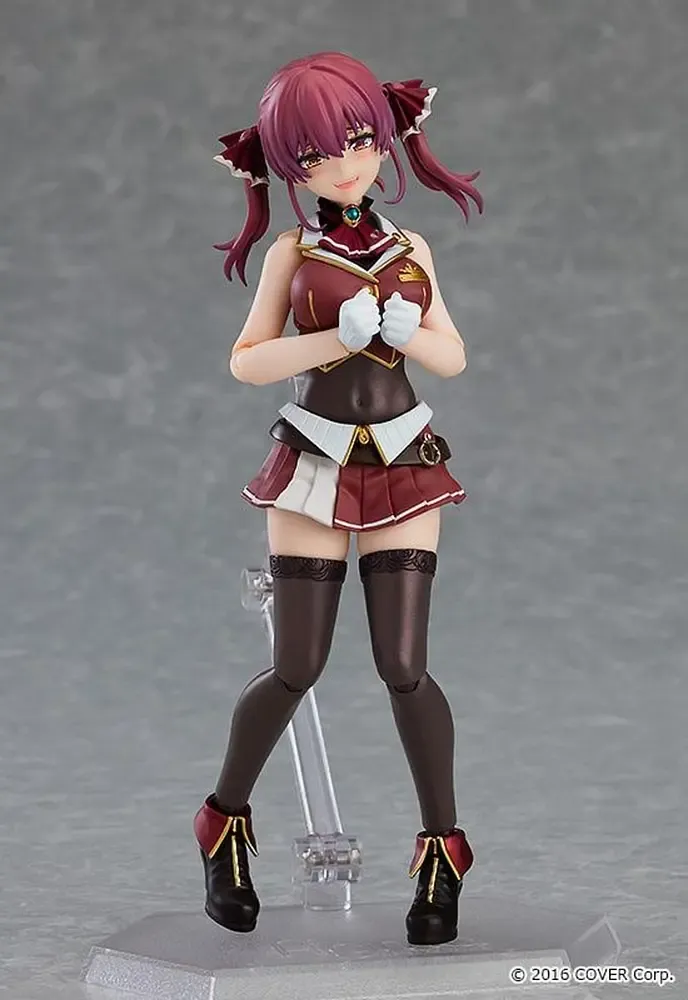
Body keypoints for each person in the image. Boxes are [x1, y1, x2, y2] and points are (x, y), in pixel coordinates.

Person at [193, 51, 483, 946]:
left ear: (385, 136)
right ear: (290, 165)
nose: (345, 165)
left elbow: (453, 356)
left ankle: (444, 851)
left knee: (404, 664)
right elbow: (248, 361)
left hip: (404, 457)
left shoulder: (412, 248)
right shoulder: (293, 251)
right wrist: (334, 343)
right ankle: (222, 824)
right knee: (298, 663)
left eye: (358, 140)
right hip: (315, 460)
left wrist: (408, 333)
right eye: (316, 153)